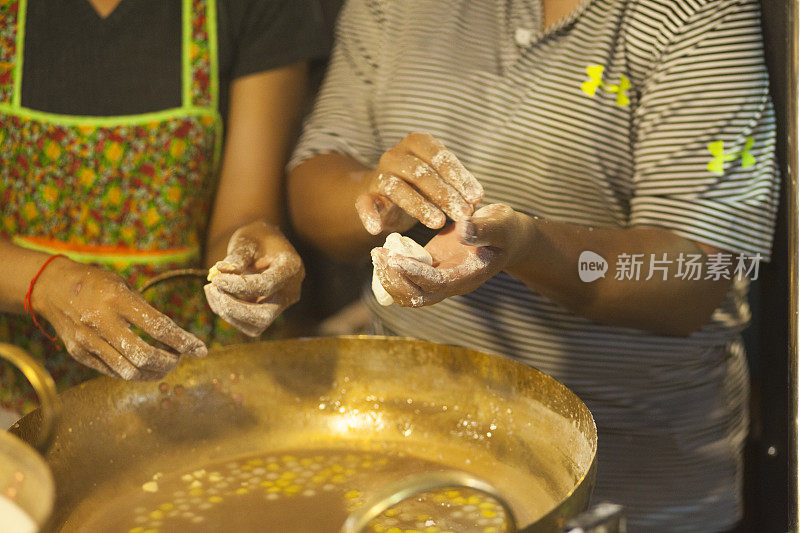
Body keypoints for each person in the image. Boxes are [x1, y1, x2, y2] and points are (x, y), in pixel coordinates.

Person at [287, 0, 779, 530]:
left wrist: (528, 247)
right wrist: (379, 195)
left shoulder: (697, 16)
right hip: (408, 460)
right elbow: (318, 173)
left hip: (625, 488)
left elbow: (691, 280)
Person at [0, 0, 326, 415]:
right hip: (20, 394)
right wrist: (49, 285)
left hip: (196, 386)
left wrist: (248, 257)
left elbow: (240, 218)